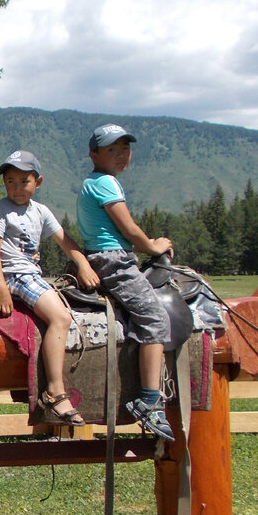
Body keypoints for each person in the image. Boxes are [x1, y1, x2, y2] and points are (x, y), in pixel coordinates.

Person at [0, 150, 100, 426]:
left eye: (24, 181)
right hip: (15, 275)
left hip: (33, 275)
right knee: (60, 317)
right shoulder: (0, 210)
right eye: (10, 181)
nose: (16, 187)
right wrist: (0, 286)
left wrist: (82, 264)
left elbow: (65, 240)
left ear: (39, 182)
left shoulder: (41, 211)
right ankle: (56, 391)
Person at [76, 124, 175, 440]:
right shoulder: (105, 183)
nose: (121, 155)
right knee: (155, 318)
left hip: (106, 255)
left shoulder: (96, 182)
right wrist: (153, 245)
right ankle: (150, 400)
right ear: (94, 155)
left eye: (125, 148)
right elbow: (129, 229)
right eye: (112, 150)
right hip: (113, 259)